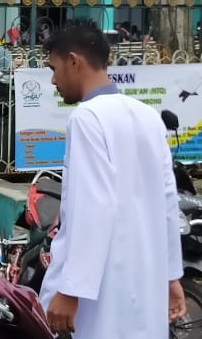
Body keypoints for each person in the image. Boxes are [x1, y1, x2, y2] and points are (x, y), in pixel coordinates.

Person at [39, 18, 185, 338]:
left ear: (74, 62)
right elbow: (167, 204)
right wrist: (172, 276)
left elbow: (91, 209)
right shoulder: (148, 116)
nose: (52, 81)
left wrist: (70, 290)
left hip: (101, 298)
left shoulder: (87, 118)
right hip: (144, 290)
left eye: (54, 68)